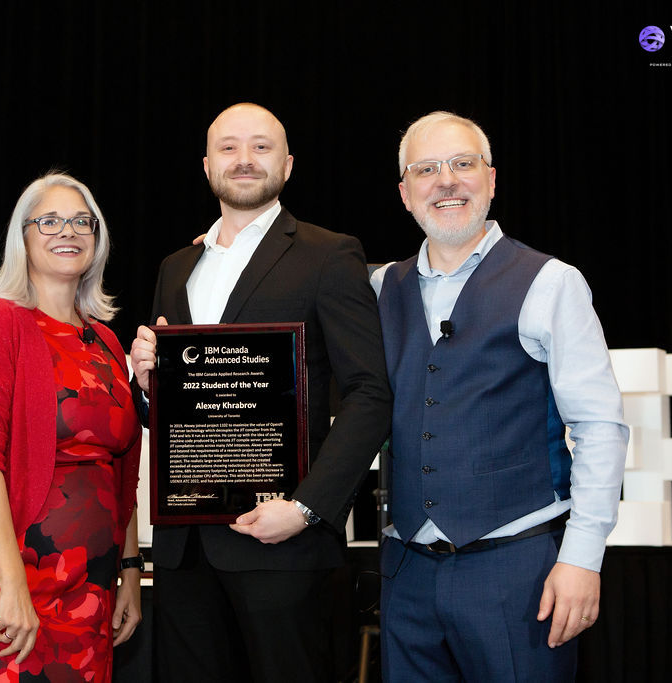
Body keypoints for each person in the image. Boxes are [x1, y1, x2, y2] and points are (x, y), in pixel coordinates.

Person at [129, 103, 391, 682]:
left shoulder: (329, 254)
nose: (244, 159)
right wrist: (147, 382)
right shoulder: (177, 267)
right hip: (185, 548)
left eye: (261, 147)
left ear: (289, 164)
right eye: (228, 147)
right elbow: (160, 413)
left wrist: (307, 509)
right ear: (205, 166)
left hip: (284, 544)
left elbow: (370, 393)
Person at [373, 111, 628, 681]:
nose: (446, 181)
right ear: (405, 194)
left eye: (463, 164)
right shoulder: (377, 286)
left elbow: (599, 428)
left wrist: (583, 558)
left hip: (518, 572)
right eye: (427, 169)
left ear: (491, 179)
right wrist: (227, 246)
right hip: (405, 574)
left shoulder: (551, 281)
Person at [0, 172, 143, 682]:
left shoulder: (104, 341)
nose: (68, 231)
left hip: (94, 582)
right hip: (16, 575)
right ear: (23, 238)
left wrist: (129, 571)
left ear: (97, 239)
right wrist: (11, 584)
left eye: (82, 221)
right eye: (49, 221)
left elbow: (120, 474)